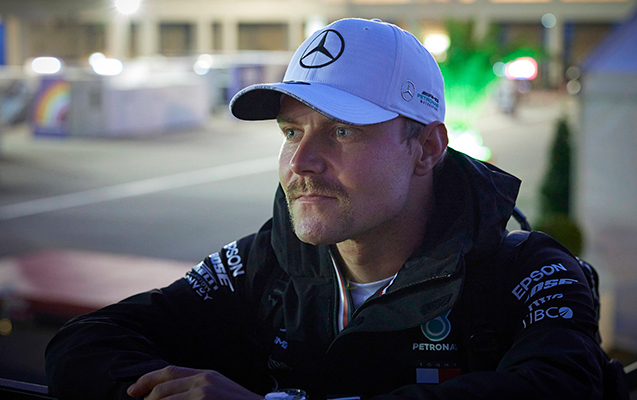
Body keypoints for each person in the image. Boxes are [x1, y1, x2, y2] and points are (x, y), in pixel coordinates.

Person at [45, 18, 611, 400]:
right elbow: (85, 342)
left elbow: (560, 386)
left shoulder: (528, 273)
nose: (302, 161)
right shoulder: (265, 263)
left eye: (342, 130)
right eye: (292, 131)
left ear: (426, 148)